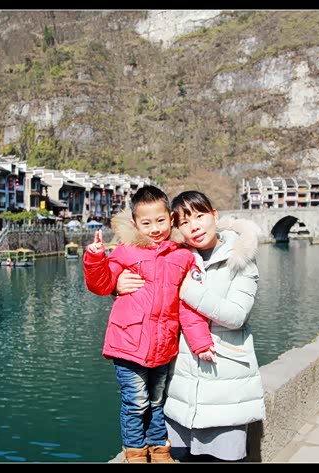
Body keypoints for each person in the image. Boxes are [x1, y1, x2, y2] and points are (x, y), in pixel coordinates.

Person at [116, 190, 265, 462]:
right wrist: (118, 286)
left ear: (214, 215)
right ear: (176, 225)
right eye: (185, 221)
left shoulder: (240, 258)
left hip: (224, 389)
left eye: (200, 216)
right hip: (180, 392)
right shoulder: (173, 256)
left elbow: (236, 316)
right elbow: (148, 300)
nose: (194, 226)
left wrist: (186, 290)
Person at [83, 186, 216, 463]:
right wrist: (96, 258)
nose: (155, 229)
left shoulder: (182, 255)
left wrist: (201, 341)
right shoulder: (125, 252)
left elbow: (188, 306)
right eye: (146, 223)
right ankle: (134, 451)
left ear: (170, 218)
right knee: (136, 401)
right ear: (135, 224)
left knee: (157, 401)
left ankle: (159, 448)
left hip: (162, 345)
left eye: (160, 221)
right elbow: (101, 284)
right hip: (127, 344)